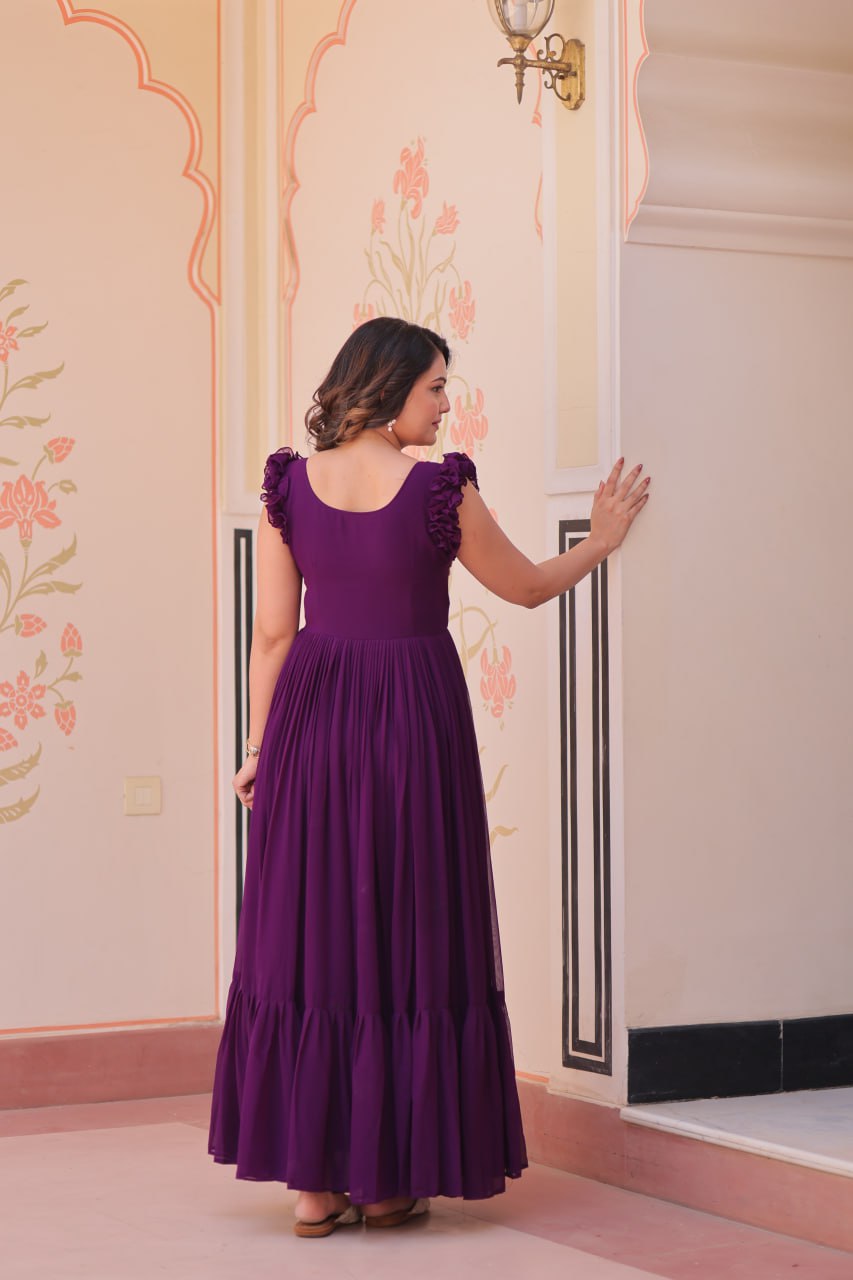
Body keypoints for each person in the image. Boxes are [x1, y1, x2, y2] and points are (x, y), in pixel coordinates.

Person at [207, 317, 649, 1239]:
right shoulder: (439, 491)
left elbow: (273, 634)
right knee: (406, 931)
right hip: (410, 720)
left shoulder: (289, 485)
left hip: (312, 720)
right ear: (389, 388)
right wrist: (600, 541)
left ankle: (313, 1187)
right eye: (435, 387)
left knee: (315, 934)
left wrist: (257, 748)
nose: (446, 405)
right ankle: (383, 1184)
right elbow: (525, 586)